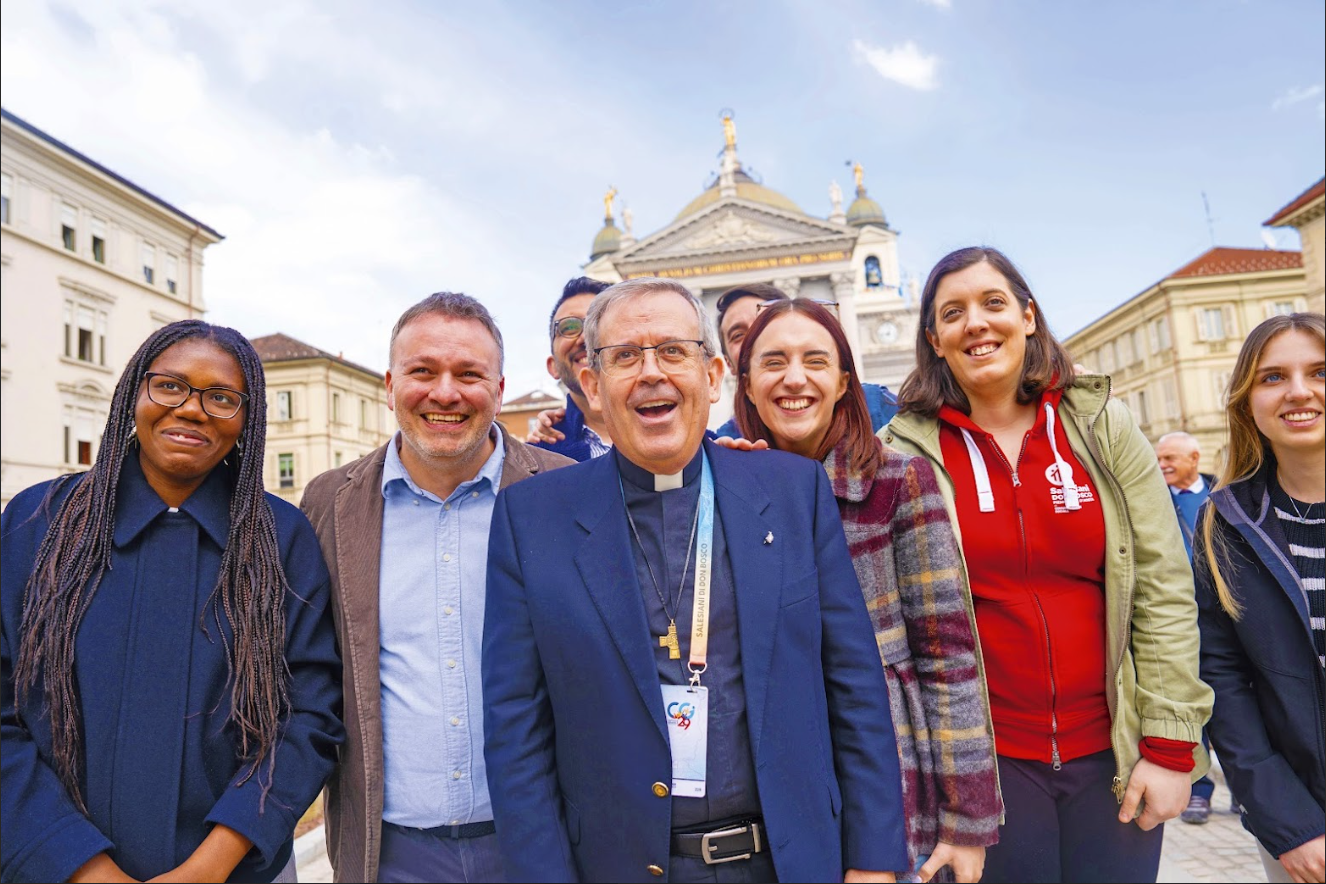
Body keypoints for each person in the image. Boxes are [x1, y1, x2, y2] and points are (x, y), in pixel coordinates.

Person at [483, 277, 908, 883]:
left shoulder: (791, 493)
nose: (651, 372)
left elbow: (854, 686)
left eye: (673, 351)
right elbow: (515, 734)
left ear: (712, 377)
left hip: (789, 862)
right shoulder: (531, 519)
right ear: (592, 388)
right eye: (625, 356)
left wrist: (872, 861)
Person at [881, 246, 1213, 883]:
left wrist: (1172, 748)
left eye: (993, 304)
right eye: (953, 313)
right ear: (935, 339)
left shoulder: (1099, 424)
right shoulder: (906, 451)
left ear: (1028, 317)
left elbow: (1164, 586)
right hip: (990, 768)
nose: (976, 323)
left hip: (1113, 755)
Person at [1, 320, 343, 883]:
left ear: (246, 419)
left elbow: (308, 716)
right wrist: (77, 863)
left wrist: (210, 866)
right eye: (170, 385)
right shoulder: (38, 524)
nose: (191, 409)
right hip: (50, 867)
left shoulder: (281, 539)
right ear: (135, 392)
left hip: (236, 871)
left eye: (221, 397)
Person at [300, 293, 573, 883]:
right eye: (423, 371)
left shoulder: (569, 491)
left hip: (545, 845)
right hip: (391, 854)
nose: (445, 392)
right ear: (391, 384)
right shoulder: (329, 503)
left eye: (468, 374)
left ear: (499, 389)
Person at [732, 298, 1001, 883]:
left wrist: (966, 820)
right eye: (773, 362)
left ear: (842, 381)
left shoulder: (899, 479)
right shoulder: (723, 486)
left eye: (815, 361)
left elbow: (948, 655)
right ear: (747, 385)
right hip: (768, 782)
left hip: (889, 769)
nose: (794, 378)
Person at [1195, 312, 1325, 884]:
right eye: (1273, 377)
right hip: (1304, 828)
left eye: (1320, 371)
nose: (1299, 391)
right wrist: (1289, 825)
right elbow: (1222, 680)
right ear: (1247, 402)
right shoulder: (1224, 524)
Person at [714, 283, 898, 438]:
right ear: (729, 364)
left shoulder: (877, 408)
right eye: (738, 335)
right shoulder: (725, 446)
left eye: (766, 324)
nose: (755, 339)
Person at [1154, 431, 1222, 825]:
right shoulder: (1153, 498)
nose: (1161, 464)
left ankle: (1247, 794)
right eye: (1159, 458)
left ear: (1194, 458)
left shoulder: (1224, 495)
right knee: (1188, 702)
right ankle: (1200, 790)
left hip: (1224, 619)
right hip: (1178, 620)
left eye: (1170, 458)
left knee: (1231, 702)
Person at [528, 276, 615, 461]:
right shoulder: (532, 462)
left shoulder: (676, 434)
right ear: (553, 367)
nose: (585, 338)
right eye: (569, 327)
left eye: (598, 323)